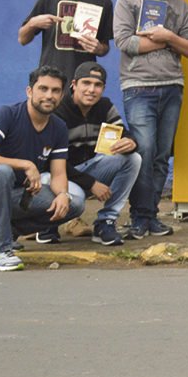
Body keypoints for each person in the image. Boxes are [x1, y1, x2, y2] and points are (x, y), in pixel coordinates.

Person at [0, 66, 85, 271]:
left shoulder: (58, 127)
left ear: (61, 95)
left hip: (14, 195)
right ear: (29, 91)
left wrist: (62, 195)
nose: (49, 95)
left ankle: (7, 232)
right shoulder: (7, 114)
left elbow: (59, 173)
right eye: (43, 89)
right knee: (2, 171)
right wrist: (25, 164)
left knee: (74, 204)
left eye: (55, 91)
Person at [114, 0, 188, 239]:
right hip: (137, 87)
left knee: (162, 155)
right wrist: (166, 42)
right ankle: (138, 216)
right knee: (144, 151)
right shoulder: (126, 4)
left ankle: (150, 216)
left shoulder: (180, 7)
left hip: (172, 86)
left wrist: (169, 36)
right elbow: (125, 43)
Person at [45, 62, 141, 247]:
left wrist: (131, 141)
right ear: (74, 84)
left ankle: (105, 221)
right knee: (49, 179)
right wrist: (91, 184)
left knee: (133, 158)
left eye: (97, 85)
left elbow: (122, 132)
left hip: (90, 169)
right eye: (86, 83)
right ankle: (47, 222)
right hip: (60, 176)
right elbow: (51, 162)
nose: (91, 90)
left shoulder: (104, 106)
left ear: (103, 88)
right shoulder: (58, 111)